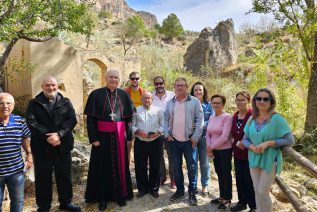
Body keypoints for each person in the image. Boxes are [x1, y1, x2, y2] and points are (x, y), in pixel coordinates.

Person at [26, 76, 81, 212]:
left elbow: (72, 120)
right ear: (42, 87)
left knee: (64, 176)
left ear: (57, 86)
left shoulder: (65, 102)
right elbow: (31, 122)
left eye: (53, 85)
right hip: (42, 148)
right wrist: (48, 136)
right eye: (47, 85)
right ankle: (44, 206)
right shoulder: (34, 103)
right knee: (42, 178)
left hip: (62, 146)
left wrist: (59, 134)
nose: (51, 88)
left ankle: (66, 202)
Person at [84, 69, 134, 211]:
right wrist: (93, 138)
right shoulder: (96, 94)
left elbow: (129, 119)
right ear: (105, 78)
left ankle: (120, 195)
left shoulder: (124, 95)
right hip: (101, 138)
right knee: (102, 167)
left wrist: (129, 137)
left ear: (119, 79)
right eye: (111, 77)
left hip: (119, 137)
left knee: (120, 166)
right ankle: (102, 198)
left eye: (116, 77)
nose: (113, 80)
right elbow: (91, 120)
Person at [243, 88, 294, 212]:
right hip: (254, 158)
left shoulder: (277, 119)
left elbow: (290, 140)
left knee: (263, 192)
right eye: (259, 98)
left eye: (266, 99)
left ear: (271, 102)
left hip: (269, 160)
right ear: (254, 101)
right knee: (257, 191)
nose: (262, 101)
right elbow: (245, 139)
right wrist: (252, 147)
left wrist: (269, 143)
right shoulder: (252, 119)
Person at [164, 77, 203, 205]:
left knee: (192, 167)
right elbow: (165, 119)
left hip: (189, 140)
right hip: (174, 140)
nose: (180, 87)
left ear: (186, 87)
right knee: (176, 167)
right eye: (177, 85)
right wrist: (166, 134)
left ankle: (192, 192)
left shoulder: (194, 101)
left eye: (182, 85)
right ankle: (180, 190)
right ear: (174, 87)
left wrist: (196, 137)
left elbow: (200, 119)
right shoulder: (170, 102)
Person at [0, 93, 32, 212]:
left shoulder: (19, 120)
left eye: (8, 103)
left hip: (16, 171)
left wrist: (29, 154)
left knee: (18, 201)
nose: (5, 106)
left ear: (13, 105)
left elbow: (24, 137)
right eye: (1, 103)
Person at [132, 91, 164, 198]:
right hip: (140, 142)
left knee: (156, 166)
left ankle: (154, 189)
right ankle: (143, 189)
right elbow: (131, 125)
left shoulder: (159, 111)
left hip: (156, 141)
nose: (147, 100)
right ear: (141, 99)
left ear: (152, 99)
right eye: (144, 98)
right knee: (140, 166)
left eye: (149, 98)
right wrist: (137, 131)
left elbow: (164, 124)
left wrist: (158, 132)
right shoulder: (136, 111)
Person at [230, 91, 256, 212]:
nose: (239, 102)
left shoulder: (253, 115)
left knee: (249, 180)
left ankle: (253, 206)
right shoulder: (235, 116)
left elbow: (257, 134)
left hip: (250, 153)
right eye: (238, 100)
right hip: (237, 153)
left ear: (248, 101)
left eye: (242, 100)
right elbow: (233, 134)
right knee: (239, 179)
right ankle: (242, 202)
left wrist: (245, 143)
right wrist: (234, 141)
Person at [206, 94, 233, 210]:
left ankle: (227, 199)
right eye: (214, 103)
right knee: (219, 173)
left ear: (223, 104)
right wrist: (209, 147)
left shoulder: (227, 117)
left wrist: (211, 147)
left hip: (225, 150)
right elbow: (208, 133)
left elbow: (225, 136)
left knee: (226, 174)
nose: (216, 105)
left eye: (218, 103)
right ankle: (222, 196)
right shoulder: (212, 117)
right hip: (215, 150)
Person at [190, 82, 214, 196]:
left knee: (204, 163)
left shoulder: (209, 105)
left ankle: (205, 185)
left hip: (205, 138)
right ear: (192, 92)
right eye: (196, 90)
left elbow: (213, 120)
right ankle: (193, 186)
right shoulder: (189, 104)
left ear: (204, 91)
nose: (198, 92)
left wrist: (201, 124)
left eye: (200, 90)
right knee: (193, 163)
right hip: (192, 137)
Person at [151, 76, 176, 189]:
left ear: (164, 83)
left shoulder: (172, 95)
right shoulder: (151, 96)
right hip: (156, 131)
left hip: (170, 130)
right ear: (154, 85)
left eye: (161, 83)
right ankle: (162, 177)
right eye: (156, 84)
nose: (159, 85)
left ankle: (173, 179)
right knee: (159, 155)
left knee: (171, 155)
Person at [125, 71, 145, 166]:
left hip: (141, 119)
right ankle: (127, 168)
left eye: (137, 78)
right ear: (130, 80)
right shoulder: (125, 92)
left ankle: (142, 166)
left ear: (139, 79)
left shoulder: (144, 92)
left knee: (143, 143)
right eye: (133, 78)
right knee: (128, 145)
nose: (135, 80)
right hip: (129, 120)